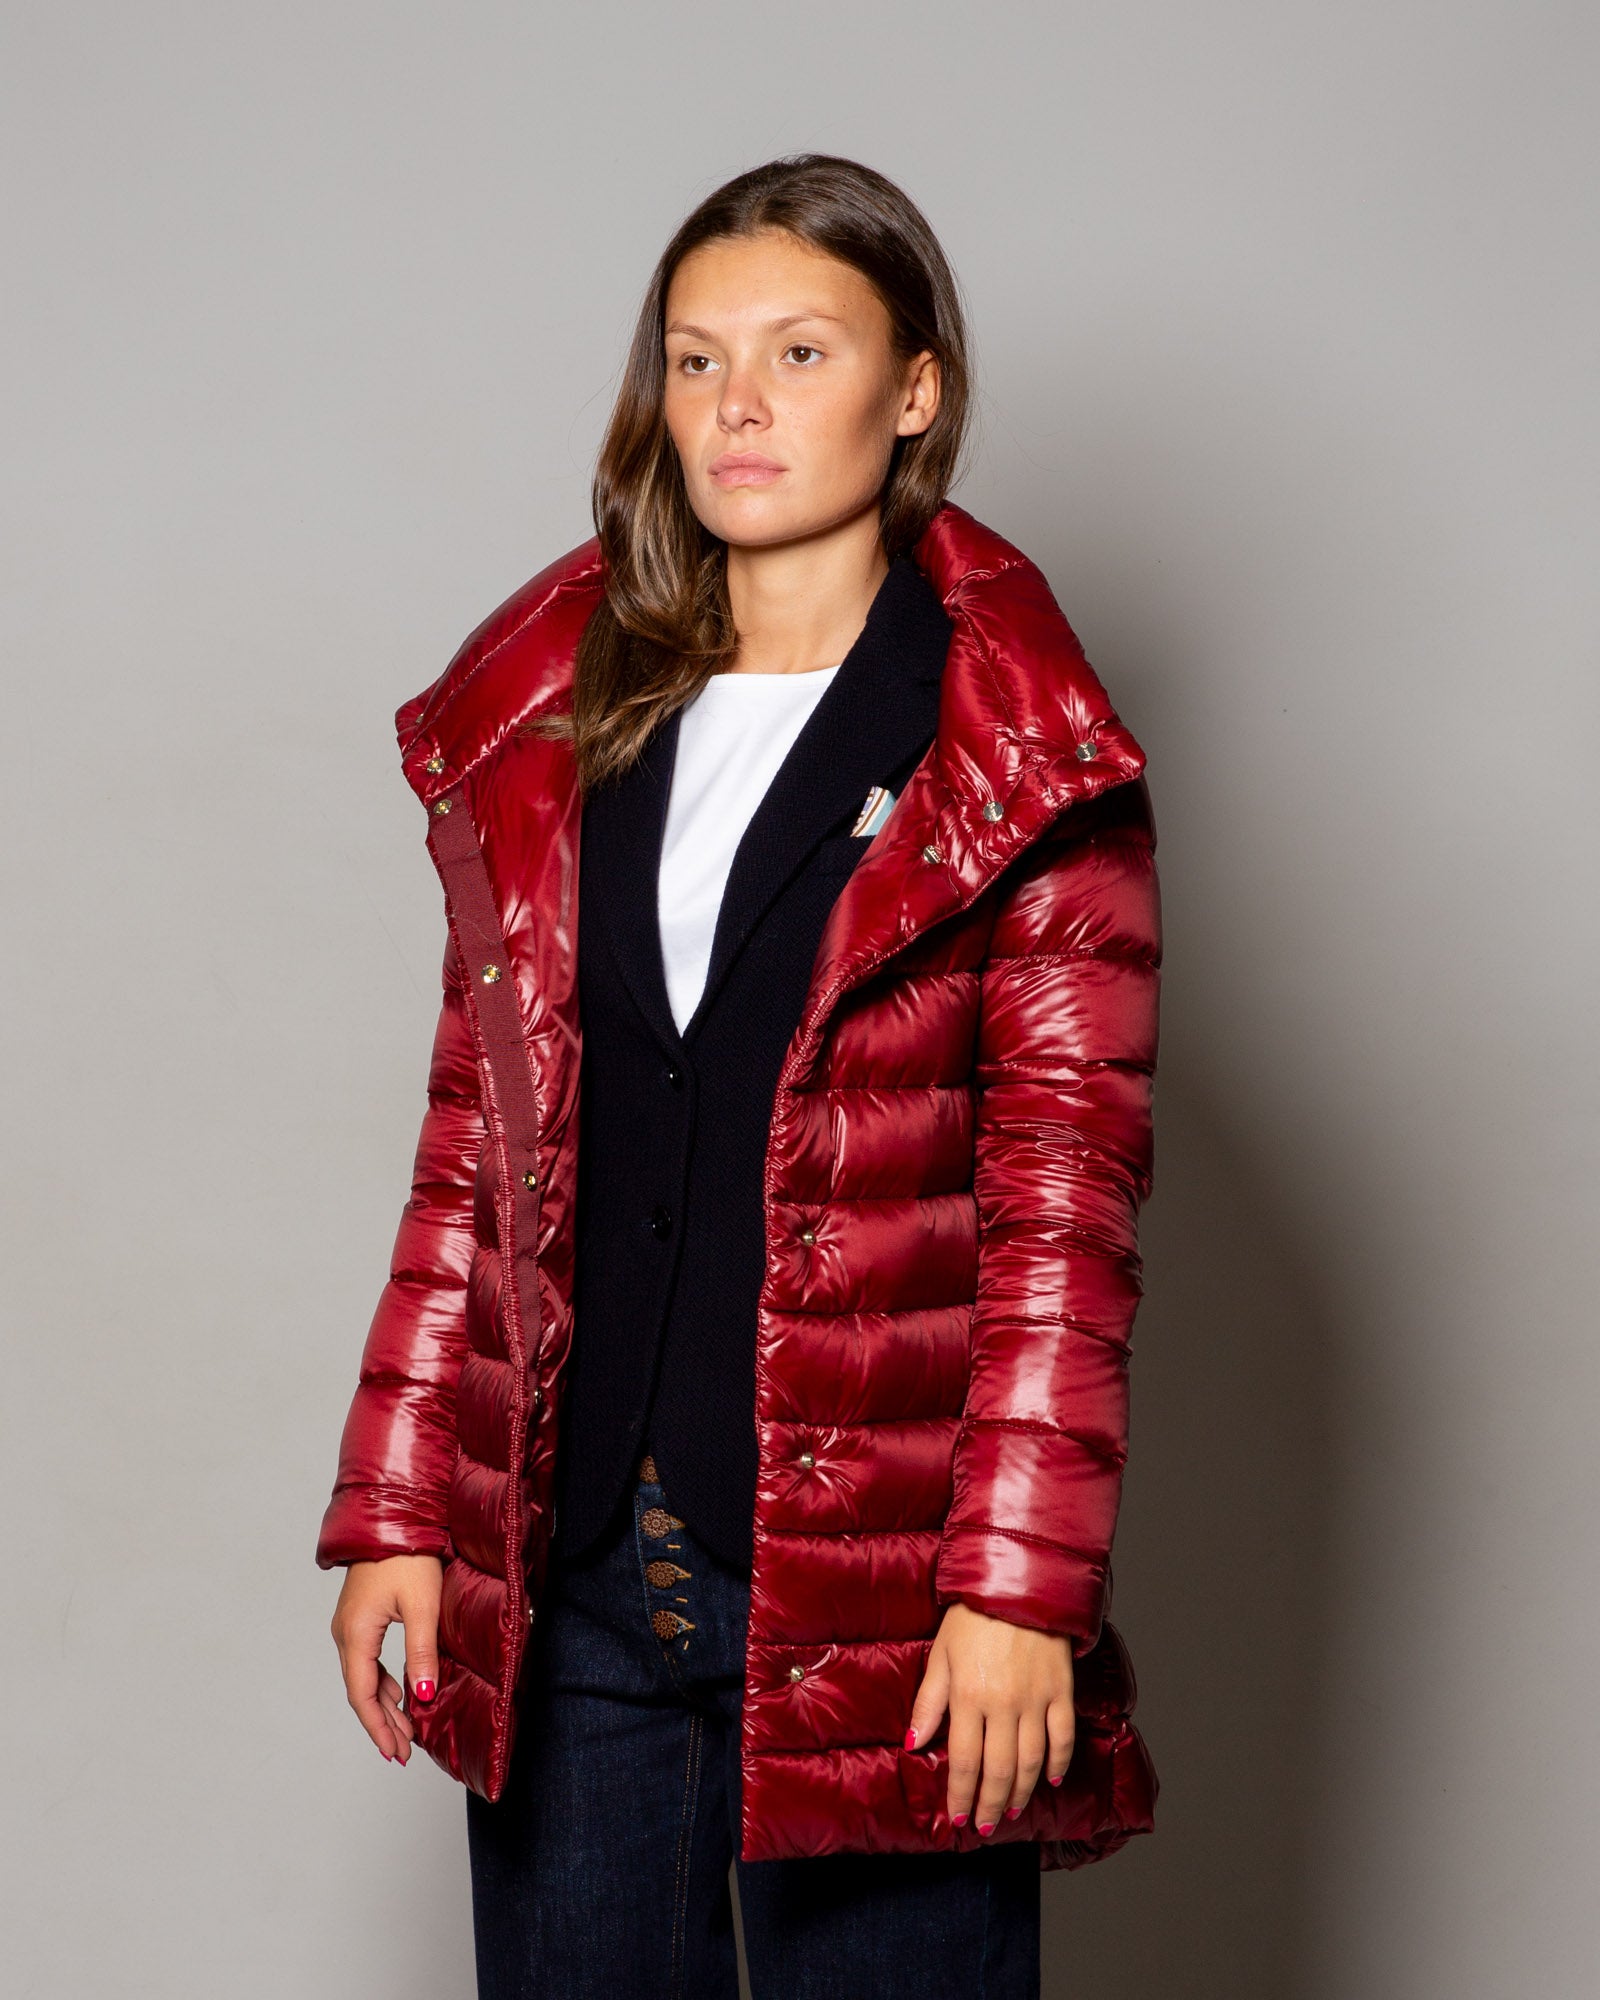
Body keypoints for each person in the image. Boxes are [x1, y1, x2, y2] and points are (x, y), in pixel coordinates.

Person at [316, 152, 1162, 1999]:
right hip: (570, 1574)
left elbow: (1062, 1211)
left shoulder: (1015, 750)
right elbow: (478, 1152)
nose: (738, 406)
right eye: (696, 361)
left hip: (879, 1588)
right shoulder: (565, 714)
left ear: (915, 390)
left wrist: (1019, 1588)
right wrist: (401, 1510)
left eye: (799, 352)